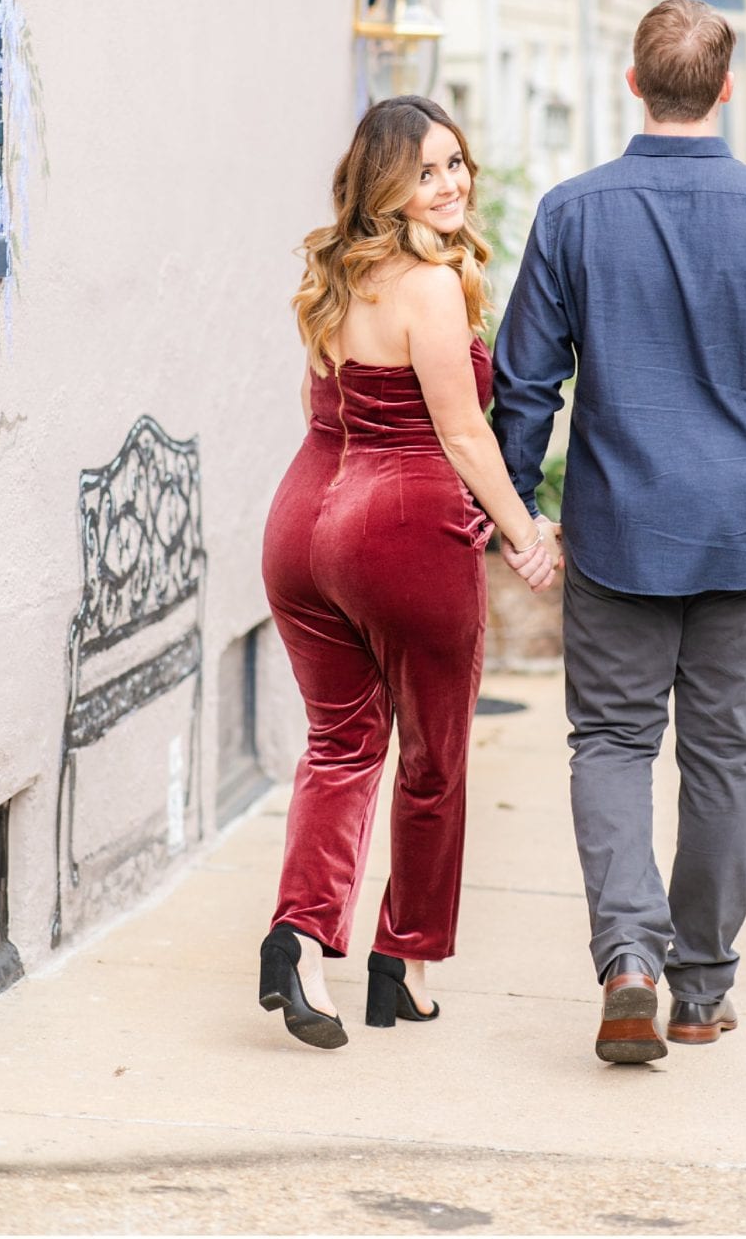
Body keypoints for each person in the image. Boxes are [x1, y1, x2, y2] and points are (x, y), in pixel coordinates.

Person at [491, 0, 746, 1065]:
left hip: (618, 526)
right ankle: (699, 990)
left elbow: (524, 383)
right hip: (743, 531)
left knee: (610, 741)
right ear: (726, 87)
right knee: (723, 757)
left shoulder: (571, 214)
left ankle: (629, 962)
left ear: (631, 83)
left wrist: (517, 513)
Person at [259, 95, 559, 1049]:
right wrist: (525, 534)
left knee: (342, 747)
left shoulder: (337, 277)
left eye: (457, 163)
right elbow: (465, 435)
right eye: (427, 170)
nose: (452, 183)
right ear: (388, 185)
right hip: (398, 528)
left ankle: (297, 938)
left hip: (301, 527)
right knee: (432, 759)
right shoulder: (429, 288)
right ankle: (405, 962)